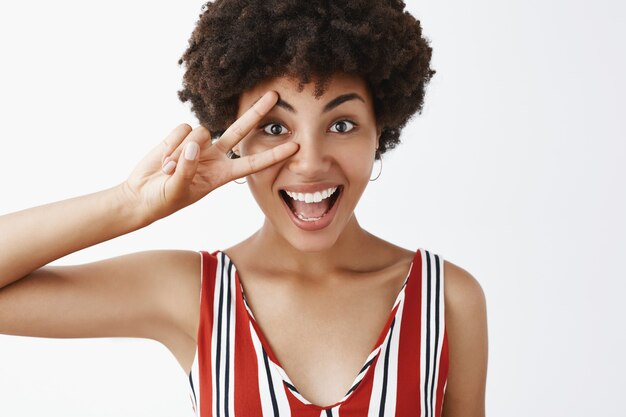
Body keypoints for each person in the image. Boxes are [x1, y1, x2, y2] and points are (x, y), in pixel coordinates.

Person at [0, 0, 488, 416]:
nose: (311, 163)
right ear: (233, 139)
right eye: (275, 128)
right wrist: (130, 205)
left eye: (342, 124)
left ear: (380, 129)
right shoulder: (194, 294)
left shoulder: (448, 300)